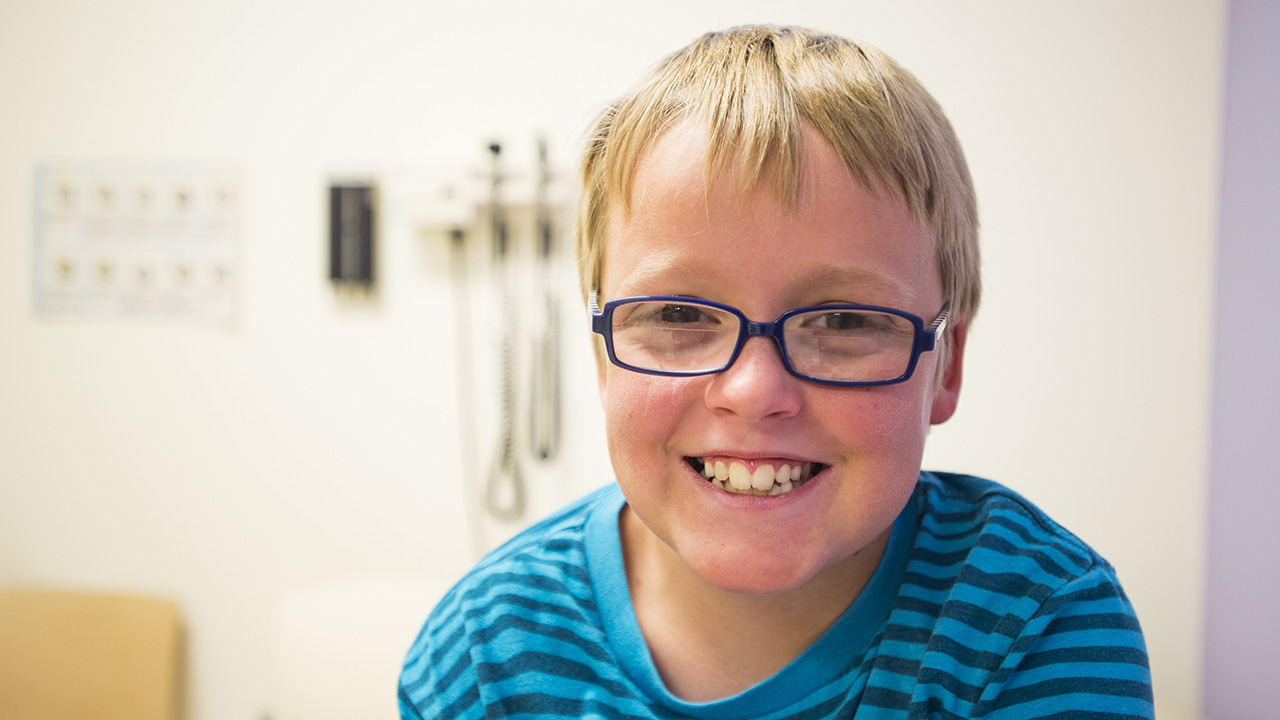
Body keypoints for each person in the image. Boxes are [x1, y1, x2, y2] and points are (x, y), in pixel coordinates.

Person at [399, 24, 1154, 719]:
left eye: (846, 322)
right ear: (602, 358)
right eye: (678, 317)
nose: (755, 391)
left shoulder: (1035, 623)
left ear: (945, 364)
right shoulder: (480, 655)